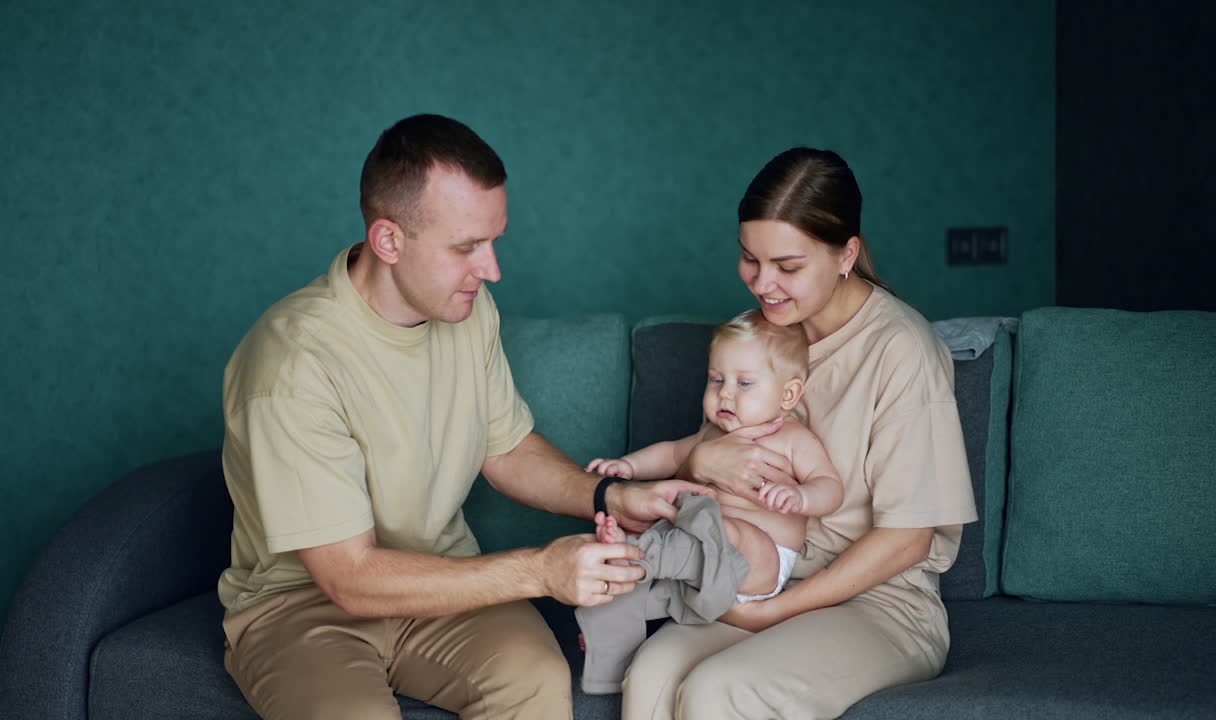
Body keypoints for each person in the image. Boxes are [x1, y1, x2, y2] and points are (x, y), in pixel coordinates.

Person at [216, 113, 704, 720]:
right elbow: (349, 577)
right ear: (388, 241)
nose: (492, 269)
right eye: (467, 247)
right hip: (302, 606)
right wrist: (539, 569)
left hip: (446, 588)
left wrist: (609, 497)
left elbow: (506, 450)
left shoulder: (468, 312)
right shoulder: (291, 363)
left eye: (495, 240)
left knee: (535, 678)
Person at [617, 147, 979, 719]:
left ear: (846, 255)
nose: (764, 284)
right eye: (749, 260)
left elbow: (909, 538)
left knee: (719, 691)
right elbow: (710, 461)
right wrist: (702, 463)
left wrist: (774, 613)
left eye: (788, 267)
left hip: (879, 603)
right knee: (651, 677)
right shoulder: (761, 335)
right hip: (760, 577)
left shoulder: (901, 349)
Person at [575, 309, 843, 693]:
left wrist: (800, 496)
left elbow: (831, 488)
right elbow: (669, 455)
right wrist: (626, 467)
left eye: (744, 383)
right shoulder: (711, 434)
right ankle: (609, 632)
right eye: (716, 379)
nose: (725, 394)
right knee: (662, 578)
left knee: (715, 526)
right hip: (700, 566)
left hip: (759, 564)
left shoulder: (792, 439)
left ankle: (636, 554)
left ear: (788, 394)